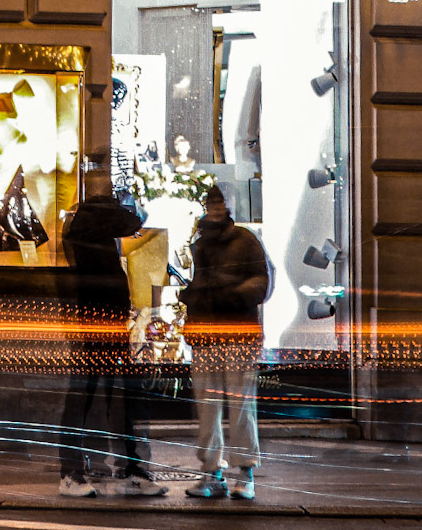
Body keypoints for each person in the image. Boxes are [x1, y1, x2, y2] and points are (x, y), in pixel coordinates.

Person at [57, 152, 166, 500]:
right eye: (104, 186)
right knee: (92, 395)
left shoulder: (89, 221)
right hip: (93, 322)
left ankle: (126, 467)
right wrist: (108, 198)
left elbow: (130, 221)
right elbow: (131, 220)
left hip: (107, 319)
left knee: (117, 395)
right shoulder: (85, 220)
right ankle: (75, 471)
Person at [183, 184, 269, 503]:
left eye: (219, 202)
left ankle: (242, 473)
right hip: (208, 332)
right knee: (209, 407)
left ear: (228, 205)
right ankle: (213, 471)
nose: (215, 207)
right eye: (210, 202)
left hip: (236, 333)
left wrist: (228, 294)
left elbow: (260, 283)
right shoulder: (202, 243)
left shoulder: (244, 240)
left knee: (240, 406)